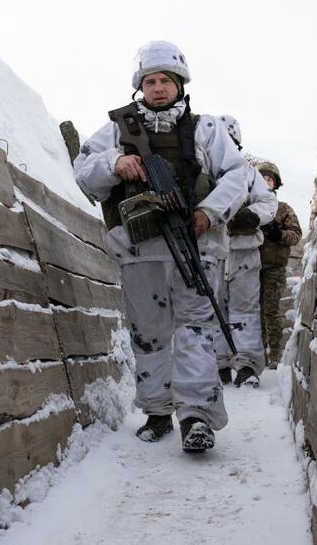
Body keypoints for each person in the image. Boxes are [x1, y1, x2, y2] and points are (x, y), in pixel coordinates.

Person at [74, 41, 252, 452]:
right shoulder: (117, 130)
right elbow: (83, 171)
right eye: (150, 81)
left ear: (179, 85)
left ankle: (196, 418)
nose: (157, 88)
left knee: (194, 330)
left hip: (196, 245)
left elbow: (238, 175)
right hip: (140, 250)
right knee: (148, 334)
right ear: (140, 86)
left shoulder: (207, 129)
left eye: (165, 81)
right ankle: (157, 412)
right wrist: (114, 164)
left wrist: (208, 213)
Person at [215, 115, 277, 387]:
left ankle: (248, 365)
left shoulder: (248, 173)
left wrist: (252, 216)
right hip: (212, 250)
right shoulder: (201, 169)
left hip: (243, 250)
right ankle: (219, 364)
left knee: (244, 310)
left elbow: (268, 202)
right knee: (212, 308)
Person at [257, 161, 302, 368]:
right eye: (262, 178)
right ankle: (257, 354)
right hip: (250, 266)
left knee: (271, 310)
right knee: (252, 312)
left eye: (270, 179)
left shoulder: (283, 209)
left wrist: (278, 234)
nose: (266, 182)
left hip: (273, 267)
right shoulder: (251, 205)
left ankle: (274, 354)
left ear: (275, 184)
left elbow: (295, 236)